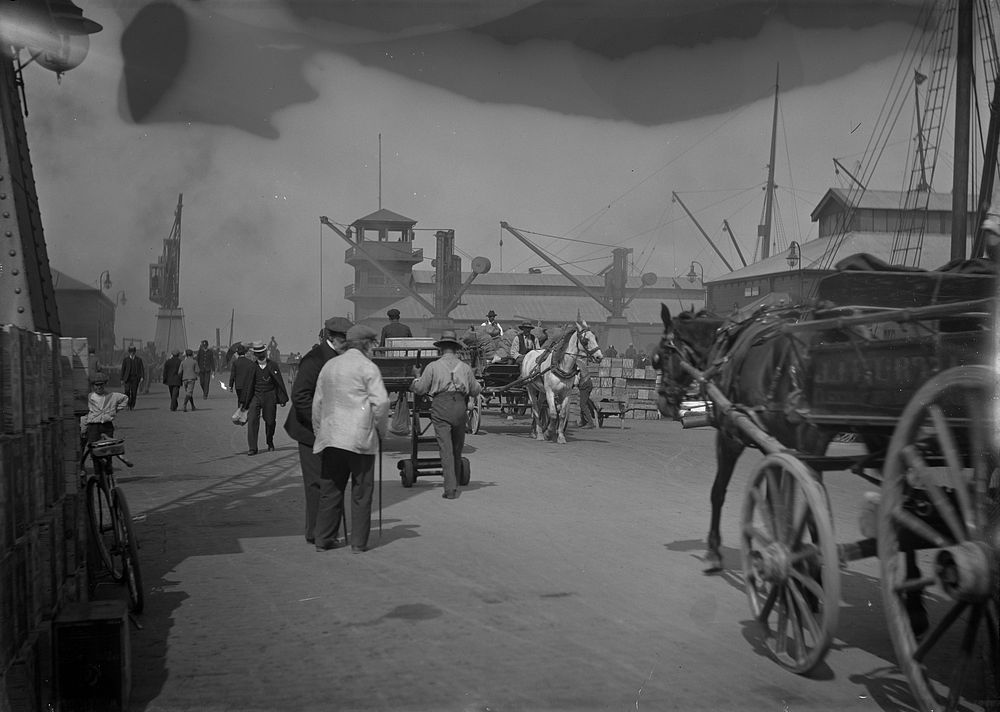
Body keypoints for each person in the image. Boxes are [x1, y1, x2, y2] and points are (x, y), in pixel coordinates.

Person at [311, 324, 389, 552]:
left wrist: (320, 433)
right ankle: (357, 543)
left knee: (330, 489)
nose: (373, 348)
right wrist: (379, 430)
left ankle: (323, 539)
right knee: (361, 492)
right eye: (372, 344)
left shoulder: (329, 366)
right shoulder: (368, 367)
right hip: (359, 440)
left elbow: (317, 404)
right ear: (365, 344)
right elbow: (382, 403)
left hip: (331, 438)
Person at [284, 316, 352, 546]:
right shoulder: (314, 360)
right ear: (331, 337)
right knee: (316, 483)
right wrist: (321, 425)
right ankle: (315, 532)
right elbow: (300, 397)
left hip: (332, 430)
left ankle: (325, 531)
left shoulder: (340, 357)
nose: (348, 344)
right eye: (345, 339)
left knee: (330, 481)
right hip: (309, 431)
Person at [410, 330, 481, 499]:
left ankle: (450, 488)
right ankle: (454, 481)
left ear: (441, 348)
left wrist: (416, 377)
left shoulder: (433, 366)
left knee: (445, 449)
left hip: (441, 406)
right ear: (455, 349)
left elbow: (420, 389)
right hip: (460, 407)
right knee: (457, 448)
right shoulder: (464, 367)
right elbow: (475, 389)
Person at [238, 341, 289, 455]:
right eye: (258, 353)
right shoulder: (252, 367)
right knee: (252, 421)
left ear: (265, 352)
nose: (260, 354)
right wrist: (243, 402)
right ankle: (252, 448)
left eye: (262, 352)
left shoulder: (273, 365)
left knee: (270, 421)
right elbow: (247, 385)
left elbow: (279, 382)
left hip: (270, 395)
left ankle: (269, 440)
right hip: (255, 396)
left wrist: (282, 399)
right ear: (255, 355)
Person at [80, 372, 129, 444]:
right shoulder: (89, 397)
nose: (99, 387)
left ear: (105, 384)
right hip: (93, 426)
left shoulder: (113, 396)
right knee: (94, 446)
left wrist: (115, 409)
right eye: (96, 385)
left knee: (108, 446)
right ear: (93, 386)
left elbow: (125, 398)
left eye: (101, 385)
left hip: (107, 425)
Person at [119, 345, 145, 411]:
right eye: (131, 351)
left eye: (133, 351)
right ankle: (128, 404)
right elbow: (123, 370)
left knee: (134, 392)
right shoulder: (126, 360)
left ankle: (132, 405)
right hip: (127, 378)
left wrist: (142, 377)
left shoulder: (139, 360)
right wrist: (122, 379)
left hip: (135, 378)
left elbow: (141, 369)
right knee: (127, 391)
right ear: (129, 352)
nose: (132, 353)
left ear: (135, 352)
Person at [578, 361, 596, 429]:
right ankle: (583, 421)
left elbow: (577, 377)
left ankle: (590, 423)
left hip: (585, 385)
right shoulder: (580, 362)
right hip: (587, 383)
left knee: (583, 404)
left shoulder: (575, 363)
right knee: (584, 402)